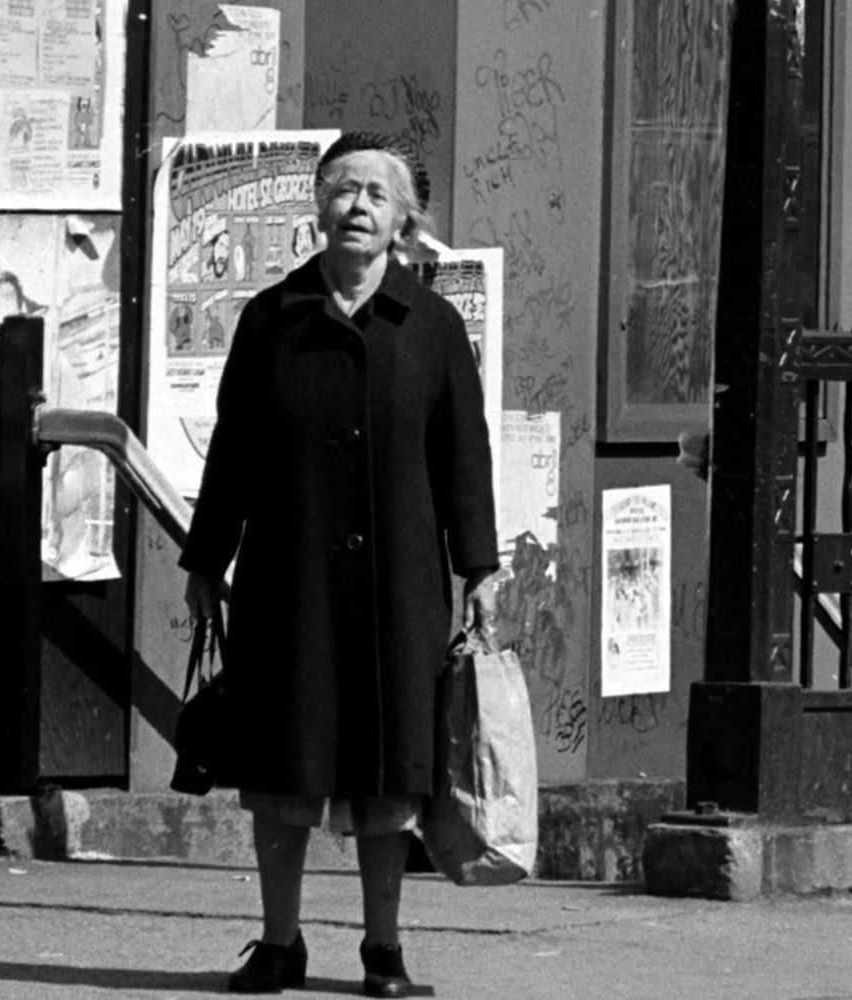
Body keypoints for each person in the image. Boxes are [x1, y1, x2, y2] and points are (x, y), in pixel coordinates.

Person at [180, 131, 500, 997]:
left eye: (376, 195)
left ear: (402, 222)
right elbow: (233, 451)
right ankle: (279, 941)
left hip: (400, 585)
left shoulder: (431, 327)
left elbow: (464, 456)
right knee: (282, 769)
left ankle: (382, 948)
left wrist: (480, 568)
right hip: (292, 582)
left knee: (390, 775)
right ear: (319, 208)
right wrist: (207, 560)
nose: (357, 207)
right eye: (344, 190)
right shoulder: (270, 319)